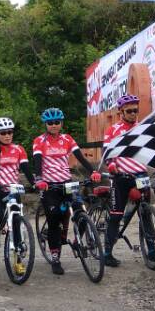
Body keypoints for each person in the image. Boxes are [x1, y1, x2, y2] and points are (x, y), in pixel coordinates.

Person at [31, 107, 101, 275]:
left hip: (66, 182)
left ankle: (77, 241)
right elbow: (37, 161)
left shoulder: (67, 139)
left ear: (61, 123)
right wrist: (39, 179)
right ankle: (55, 257)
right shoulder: (39, 141)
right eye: (50, 123)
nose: (54, 125)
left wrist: (93, 172)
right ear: (45, 124)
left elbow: (80, 157)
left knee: (80, 211)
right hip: (49, 185)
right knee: (54, 220)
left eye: (57, 122)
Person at [0, 117, 35, 268]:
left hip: (13, 189)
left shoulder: (19, 149)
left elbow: (26, 169)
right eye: (3, 133)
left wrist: (35, 184)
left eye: (10, 132)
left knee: (16, 223)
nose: (7, 135)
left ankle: (18, 261)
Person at [100, 94, 149, 267]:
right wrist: (111, 165)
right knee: (115, 216)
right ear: (121, 111)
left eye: (136, 110)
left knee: (146, 213)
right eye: (129, 111)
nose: (133, 114)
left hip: (141, 175)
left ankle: (151, 251)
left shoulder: (143, 126)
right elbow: (106, 152)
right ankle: (107, 253)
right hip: (121, 176)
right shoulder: (113, 130)